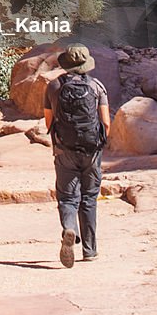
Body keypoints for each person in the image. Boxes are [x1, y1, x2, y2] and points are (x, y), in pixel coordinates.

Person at [43, 44, 111, 268]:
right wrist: (98, 143)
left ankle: (69, 227)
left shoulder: (53, 86)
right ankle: (90, 250)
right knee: (89, 198)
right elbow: (106, 123)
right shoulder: (97, 86)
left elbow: (48, 121)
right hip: (91, 151)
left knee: (67, 197)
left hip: (64, 150)